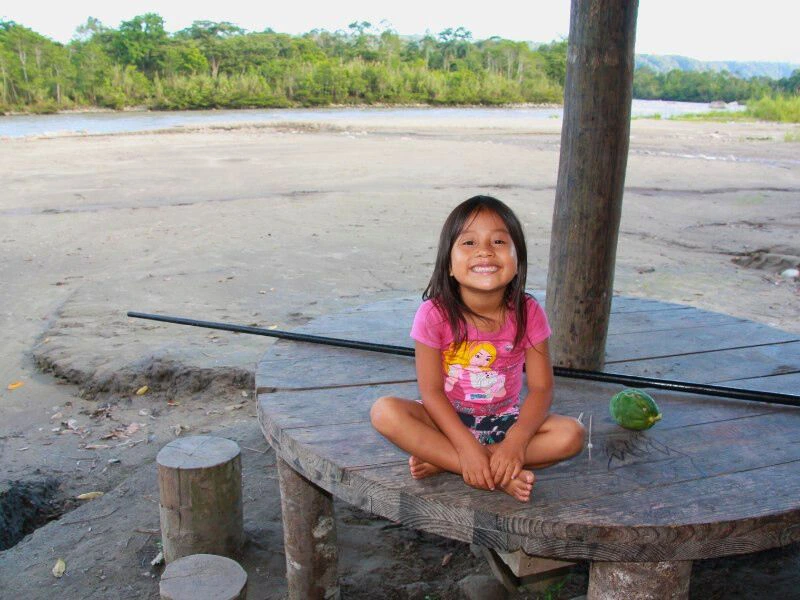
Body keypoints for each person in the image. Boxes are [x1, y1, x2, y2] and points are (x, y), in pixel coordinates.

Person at [370, 196, 584, 502]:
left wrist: (516, 442)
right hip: (446, 421)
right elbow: (431, 393)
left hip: (505, 421)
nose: (484, 250)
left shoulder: (529, 311)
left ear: (517, 259)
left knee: (571, 436)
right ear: (449, 265)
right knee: (384, 412)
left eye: (498, 240)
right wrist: (465, 447)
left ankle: (452, 463)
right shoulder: (434, 314)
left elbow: (541, 389)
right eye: (469, 242)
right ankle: (492, 472)